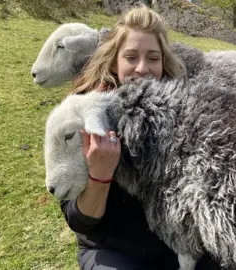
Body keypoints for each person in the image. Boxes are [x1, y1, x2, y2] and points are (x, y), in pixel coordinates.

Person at [60, 5, 222, 270]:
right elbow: (79, 220)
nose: (142, 68)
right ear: (115, 61)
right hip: (113, 248)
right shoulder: (82, 115)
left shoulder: (186, 109)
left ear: (164, 62)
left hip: (178, 245)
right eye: (131, 57)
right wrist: (100, 175)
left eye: (153, 58)